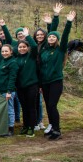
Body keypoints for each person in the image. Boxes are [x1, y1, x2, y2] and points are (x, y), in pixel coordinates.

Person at [39, 10, 75, 140]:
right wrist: (50, 23)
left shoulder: (60, 50)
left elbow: (65, 35)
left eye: (54, 37)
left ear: (57, 40)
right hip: (45, 82)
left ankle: (57, 130)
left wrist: (68, 22)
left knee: (53, 105)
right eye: (49, 37)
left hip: (56, 81)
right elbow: (51, 32)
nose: (51, 38)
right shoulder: (45, 51)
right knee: (48, 106)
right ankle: (53, 127)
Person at [14, 28, 39, 137]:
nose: (22, 48)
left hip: (32, 85)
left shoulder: (31, 56)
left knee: (31, 106)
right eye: (20, 47)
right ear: (18, 48)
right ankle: (25, 126)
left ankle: (31, 127)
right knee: (24, 107)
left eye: (24, 47)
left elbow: (34, 46)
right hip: (20, 87)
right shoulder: (16, 59)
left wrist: (27, 36)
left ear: (27, 48)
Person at [0, 44, 19, 136]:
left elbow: (12, 78)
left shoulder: (13, 63)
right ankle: (3, 128)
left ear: (11, 51)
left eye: (6, 51)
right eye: (3, 51)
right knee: (3, 111)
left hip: (8, 91)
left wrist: (9, 91)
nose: (4, 53)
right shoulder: (2, 61)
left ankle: (11, 129)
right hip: (0, 90)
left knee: (9, 109)